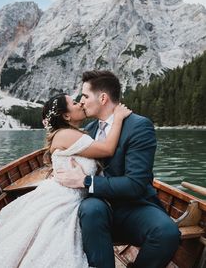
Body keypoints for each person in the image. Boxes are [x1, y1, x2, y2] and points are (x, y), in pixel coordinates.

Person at [0, 94, 131, 268]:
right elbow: (107, 149)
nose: (80, 104)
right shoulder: (67, 134)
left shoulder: (71, 133)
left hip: (73, 194)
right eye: (75, 103)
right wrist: (118, 118)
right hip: (66, 199)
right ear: (66, 116)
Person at [55, 70, 181, 268]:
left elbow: (136, 184)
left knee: (167, 233)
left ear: (103, 98)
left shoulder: (139, 126)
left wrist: (86, 181)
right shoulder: (88, 131)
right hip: (97, 209)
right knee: (91, 209)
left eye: (86, 96)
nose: (82, 102)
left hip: (133, 206)